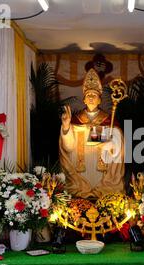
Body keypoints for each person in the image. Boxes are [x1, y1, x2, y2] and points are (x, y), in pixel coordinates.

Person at [59, 68, 125, 199]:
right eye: (88, 95)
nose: (90, 98)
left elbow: (118, 145)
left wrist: (109, 143)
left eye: (94, 95)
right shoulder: (75, 120)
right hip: (80, 171)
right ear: (83, 99)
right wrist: (66, 127)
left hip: (102, 172)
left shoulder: (108, 121)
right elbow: (68, 147)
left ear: (100, 100)